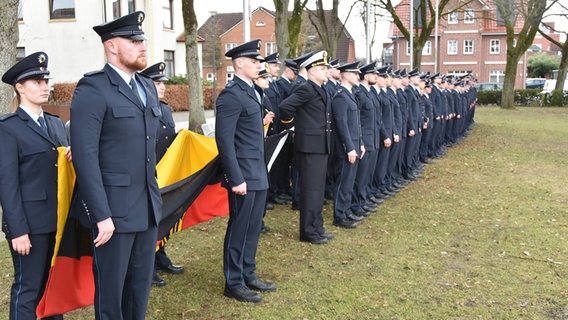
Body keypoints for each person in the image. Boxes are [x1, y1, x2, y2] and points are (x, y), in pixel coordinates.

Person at [69, 11, 162, 319]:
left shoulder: (146, 87)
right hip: (114, 213)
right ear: (111, 46)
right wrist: (101, 215)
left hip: (146, 207)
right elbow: (85, 157)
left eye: (142, 40)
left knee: (139, 289)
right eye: (133, 41)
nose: (142, 46)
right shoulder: (93, 89)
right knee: (111, 295)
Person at [0, 51, 69, 320]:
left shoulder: (55, 124)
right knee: (28, 288)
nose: (45, 86)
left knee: (54, 286)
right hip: (30, 225)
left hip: (59, 220)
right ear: (19, 87)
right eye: (37, 82)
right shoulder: (8, 128)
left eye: (46, 81)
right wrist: (17, 231)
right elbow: (7, 184)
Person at [215, 39, 276, 303]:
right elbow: (224, 140)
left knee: (252, 227)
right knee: (239, 227)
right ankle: (234, 281)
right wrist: (235, 178)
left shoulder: (251, 90)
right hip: (243, 175)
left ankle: (248, 273)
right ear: (239, 63)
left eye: (260, 61)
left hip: (258, 171)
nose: (259, 65)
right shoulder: (231, 94)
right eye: (254, 61)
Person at [279, 51, 333, 245]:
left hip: (320, 145)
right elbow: (285, 107)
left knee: (318, 190)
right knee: (310, 191)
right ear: (310, 72)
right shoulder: (306, 88)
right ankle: (308, 231)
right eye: (321, 68)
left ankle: (317, 227)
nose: (326, 71)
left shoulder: (320, 88)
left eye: (326, 68)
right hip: (310, 146)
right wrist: (293, 126)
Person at [140, 62, 185, 287]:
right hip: (149, 173)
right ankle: (147, 269)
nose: (163, 87)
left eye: (163, 83)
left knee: (163, 217)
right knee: (150, 222)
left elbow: (167, 137)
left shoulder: (164, 108)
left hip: (165, 172)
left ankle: (161, 257)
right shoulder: (142, 108)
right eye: (157, 83)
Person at [330, 61, 364, 229]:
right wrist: (349, 147)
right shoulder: (340, 97)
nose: (358, 76)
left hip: (355, 145)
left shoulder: (349, 94)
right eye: (355, 73)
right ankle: (339, 215)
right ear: (346, 75)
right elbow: (342, 124)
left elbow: (355, 124)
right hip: (346, 148)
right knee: (343, 181)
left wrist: (361, 144)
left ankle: (346, 210)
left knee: (349, 181)